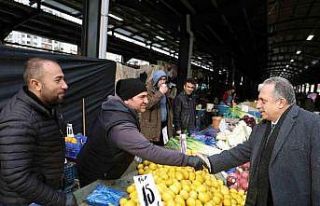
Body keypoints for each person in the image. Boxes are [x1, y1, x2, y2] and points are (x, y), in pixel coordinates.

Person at [205, 77, 320, 205]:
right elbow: (239, 153)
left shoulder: (312, 124)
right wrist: (206, 163)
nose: (258, 105)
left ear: (280, 103)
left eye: (263, 101)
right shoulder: (262, 126)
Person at [76, 78, 208, 187]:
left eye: (146, 96)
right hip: (96, 173)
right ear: (127, 99)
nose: (146, 101)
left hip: (105, 167)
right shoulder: (119, 125)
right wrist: (188, 160)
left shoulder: (120, 110)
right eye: (142, 97)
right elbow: (149, 150)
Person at [0, 58, 75, 205]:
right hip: (25, 201)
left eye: (63, 79)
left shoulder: (45, 106)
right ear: (36, 84)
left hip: (43, 193)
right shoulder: (19, 120)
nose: (65, 85)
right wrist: (60, 201)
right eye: (58, 80)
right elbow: (17, 177)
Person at [140, 70, 174, 145]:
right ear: (156, 80)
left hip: (164, 125)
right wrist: (160, 93)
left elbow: (169, 105)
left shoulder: (165, 90)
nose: (163, 81)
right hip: (152, 126)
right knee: (153, 149)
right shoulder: (147, 90)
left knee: (163, 146)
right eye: (160, 79)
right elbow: (147, 105)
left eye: (164, 79)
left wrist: (168, 94)